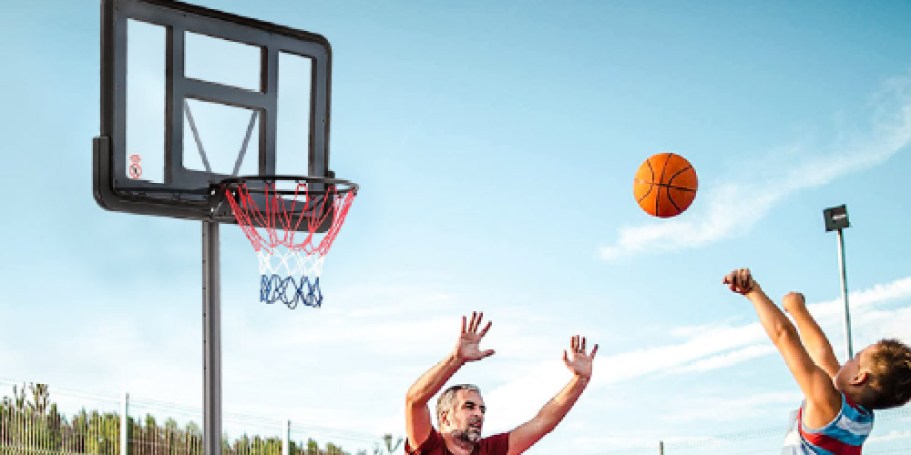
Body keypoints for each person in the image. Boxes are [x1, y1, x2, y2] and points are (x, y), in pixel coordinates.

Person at [723, 268, 911, 454]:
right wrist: (798, 310)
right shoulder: (860, 417)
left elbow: (784, 336)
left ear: (858, 378)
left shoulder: (827, 403)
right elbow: (823, 356)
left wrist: (752, 291)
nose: (846, 362)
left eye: (854, 359)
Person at [404, 311, 598, 455]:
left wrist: (579, 381)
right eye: (469, 407)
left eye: (482, 410)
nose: (478, 414)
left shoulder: (490, 450)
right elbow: (414, 401)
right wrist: (455, 360)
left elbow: (543, 423)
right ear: (445, 418)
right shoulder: (429, 446)